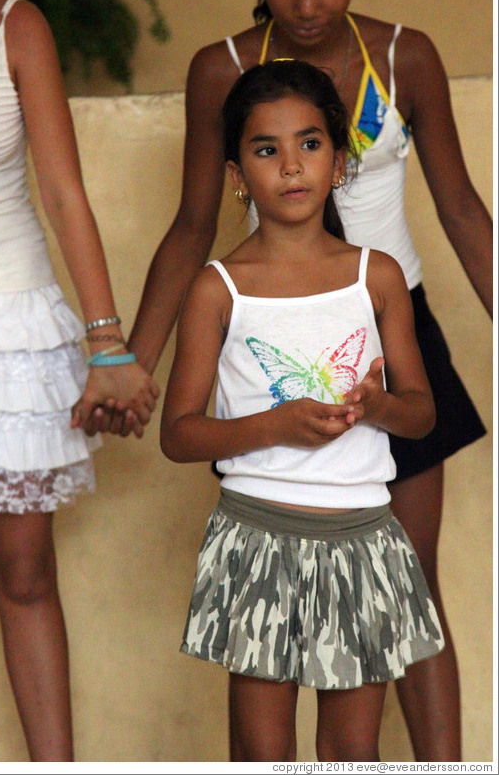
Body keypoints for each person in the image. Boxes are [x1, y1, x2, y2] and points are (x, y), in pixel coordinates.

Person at [85, 0, 492, 761]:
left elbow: (461, 208)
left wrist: (381, 397)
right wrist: (129, 355)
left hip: (387, 327)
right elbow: (190, 224)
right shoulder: (223, 71)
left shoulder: (405, 57)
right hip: (272, 338)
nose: (307, 6)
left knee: (408, 578)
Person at [160, 59, 445, 763]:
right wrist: (274, 426)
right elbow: (178, 433)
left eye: (309, 144)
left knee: (351, 749)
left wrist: (377, 404)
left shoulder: (373, 276)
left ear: (340, 162)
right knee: (262, 751)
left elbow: (421, 415)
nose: (291, 166)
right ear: (236, 175)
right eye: (266, 149)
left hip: (362, 539)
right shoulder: (218, 288)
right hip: (257, 539)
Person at [0, 0, 159, 762]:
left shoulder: (19, 25)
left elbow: (63, 190)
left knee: (22, 567)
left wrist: (106, 344)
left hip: (9, 327)